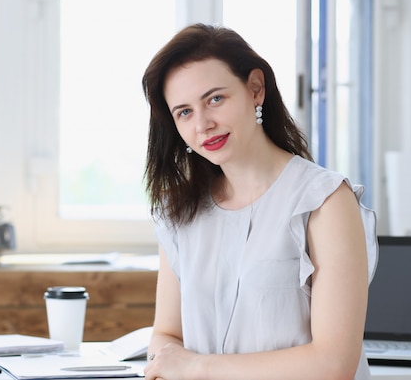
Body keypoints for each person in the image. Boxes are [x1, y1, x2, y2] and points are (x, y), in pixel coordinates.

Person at [141, 23, 378, 380]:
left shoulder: (326, 202)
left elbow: (334, 364)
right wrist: (171, 359)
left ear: (255, 89)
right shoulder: (180, 213)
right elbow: (166, 335)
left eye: (215, 99)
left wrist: (197, 367)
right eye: (184, 112)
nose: (203, 124)